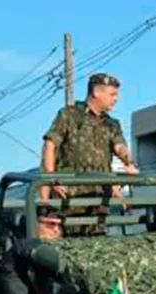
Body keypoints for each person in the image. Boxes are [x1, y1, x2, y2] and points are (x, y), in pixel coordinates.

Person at [39, 72, 137, 201]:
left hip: (100, 197)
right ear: (96, 92)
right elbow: (50, 145)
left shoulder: (111, 124)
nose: (116, 99)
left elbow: (119, 146)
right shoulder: (69, 115)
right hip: (69, 195)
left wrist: (127, 160)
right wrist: (52, 179)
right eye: (112, 94)